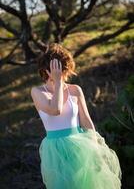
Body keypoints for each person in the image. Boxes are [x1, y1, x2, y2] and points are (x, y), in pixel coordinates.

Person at [31, 43, 122, 189]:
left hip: (81, 146)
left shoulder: (75, 90)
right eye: (60, 70)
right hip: (55, 150)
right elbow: (55, 109)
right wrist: (59, 83)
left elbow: (86, 120)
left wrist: (97, 148)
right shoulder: (38, 92)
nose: (64, 75)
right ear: (47, 70)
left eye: (64, 70)